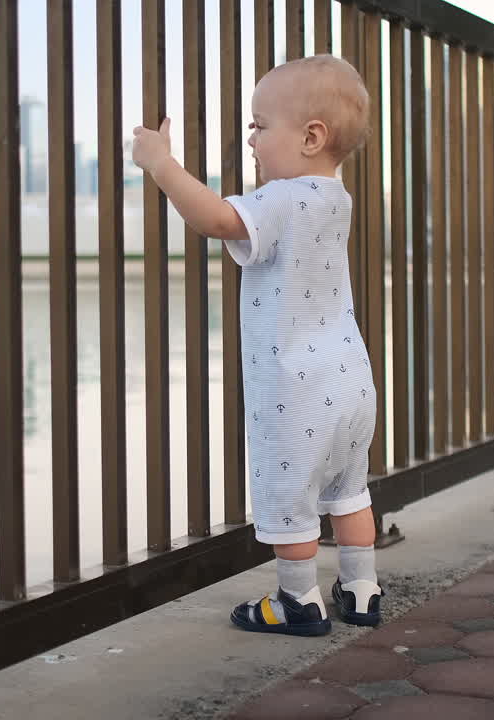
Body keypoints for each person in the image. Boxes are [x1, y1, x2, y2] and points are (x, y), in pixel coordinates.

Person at [131, 54, 382, 636]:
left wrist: (161, 165)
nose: (250, 137)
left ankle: (298, 602)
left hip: (293, 387)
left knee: (287, 493)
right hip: (350, 380)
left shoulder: (285, 197)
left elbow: (217, 219)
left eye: (260, 124)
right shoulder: (334, 198)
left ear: (311, 136)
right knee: (349, 491)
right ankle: (363, 591)